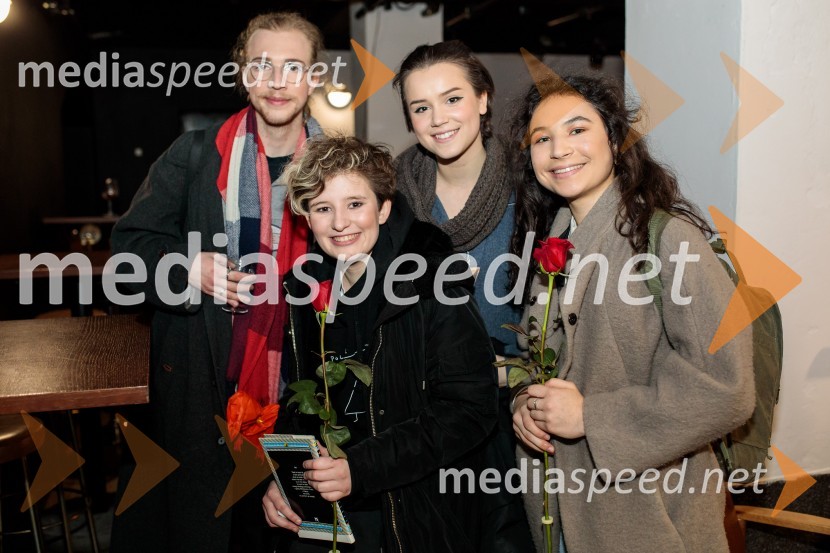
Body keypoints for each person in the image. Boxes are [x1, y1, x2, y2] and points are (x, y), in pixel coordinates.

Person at [508, 73, 755, 552]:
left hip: (652, 520)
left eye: (578, 130)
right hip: (557, 513)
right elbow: (530, 354)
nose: (560, 150)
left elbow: (729, 387)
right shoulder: (550, 246)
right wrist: (523, 402)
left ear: (616, 139)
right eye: (543, 138)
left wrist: (592, 417)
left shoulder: (670, 240)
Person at [110, 12, 325, 553]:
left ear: (315, 78)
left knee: (288, 536)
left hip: (302, 388)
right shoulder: (194, 154)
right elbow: (126, 252)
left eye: (293, 66)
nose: (277, 80)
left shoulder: (338, 166)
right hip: (201, 390)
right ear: (243, 75)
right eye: (262, 65)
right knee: (202, 532)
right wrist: (187, 268)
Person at [262, 135, 511, 552]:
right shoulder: (305, 289)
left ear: (384, 208)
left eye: (355, 204)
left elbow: (470, 410)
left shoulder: (434, 281)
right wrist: (286, 481)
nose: (340, 223)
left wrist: (359, 468)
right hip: (331, 511)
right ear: (308, 219)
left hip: (413, 511)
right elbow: (300, 398)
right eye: (324, 208)